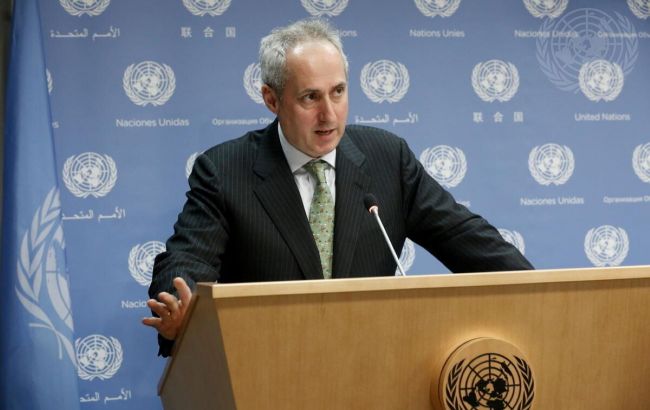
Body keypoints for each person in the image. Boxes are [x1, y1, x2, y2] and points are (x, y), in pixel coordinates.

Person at [143, 18, 534, 357]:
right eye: (310, 97)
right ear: (271, 99)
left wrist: (541, 292)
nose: (328, 114)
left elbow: (467, 238)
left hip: (373, 364)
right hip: (268, 366)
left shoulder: (387, 158)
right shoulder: (226, 170)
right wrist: (179, 308)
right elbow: (186, 258)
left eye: (338, 92)